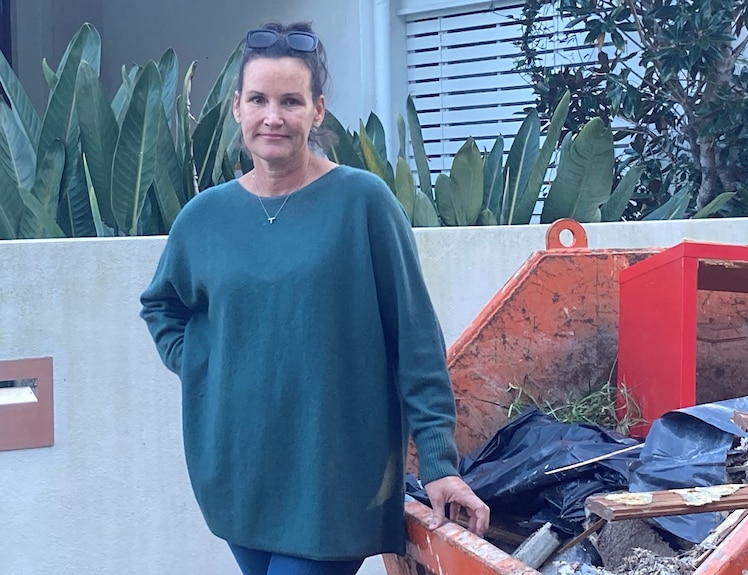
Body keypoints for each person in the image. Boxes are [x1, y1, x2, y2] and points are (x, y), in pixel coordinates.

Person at [139, 20, 490, 575]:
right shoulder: (203, 219)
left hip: (337, 482)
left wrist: (441, 463)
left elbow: (415, 341)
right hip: (238, 474)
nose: (272, 116)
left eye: (290, 101)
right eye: (257, 99)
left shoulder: (364, 204)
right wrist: (204, 365)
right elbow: (162, 304)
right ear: (237, 108)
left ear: (318, 110)